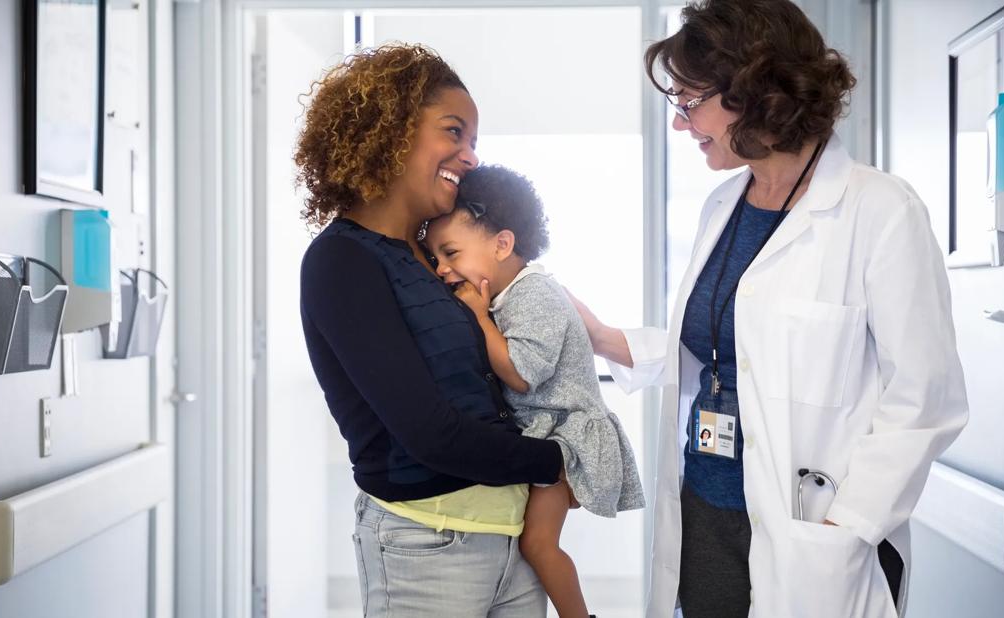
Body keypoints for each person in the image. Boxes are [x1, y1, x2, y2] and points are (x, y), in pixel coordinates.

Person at [569, 1, 968, 616]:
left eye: (689, 102)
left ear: (755, 92)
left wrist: (845, 528)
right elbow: (729, 348)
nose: (681, 124)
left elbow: (925, 400)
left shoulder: (880, 210)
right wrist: (599, 335)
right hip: (706, 514)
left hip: (813, 531)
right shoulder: (723, 205)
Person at [296, 44, 566, 617]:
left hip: (511, 541)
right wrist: (559, 462)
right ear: (389, 130)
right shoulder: (342, 261)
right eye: (454, 132)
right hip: (424, 545)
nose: (469, 156)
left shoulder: (433, 256)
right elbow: (429, 434)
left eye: (474, 142)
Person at [423, 165, 645, 618]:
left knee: (538, 544)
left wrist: (480, 318)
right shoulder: (511, 294)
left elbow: (522, 374)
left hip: (570, 438)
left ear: (502, 244)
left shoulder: (534, 294)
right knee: (532, 541)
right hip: (548, 434)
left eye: (450, 253)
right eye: (435, 259)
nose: (443, 269)